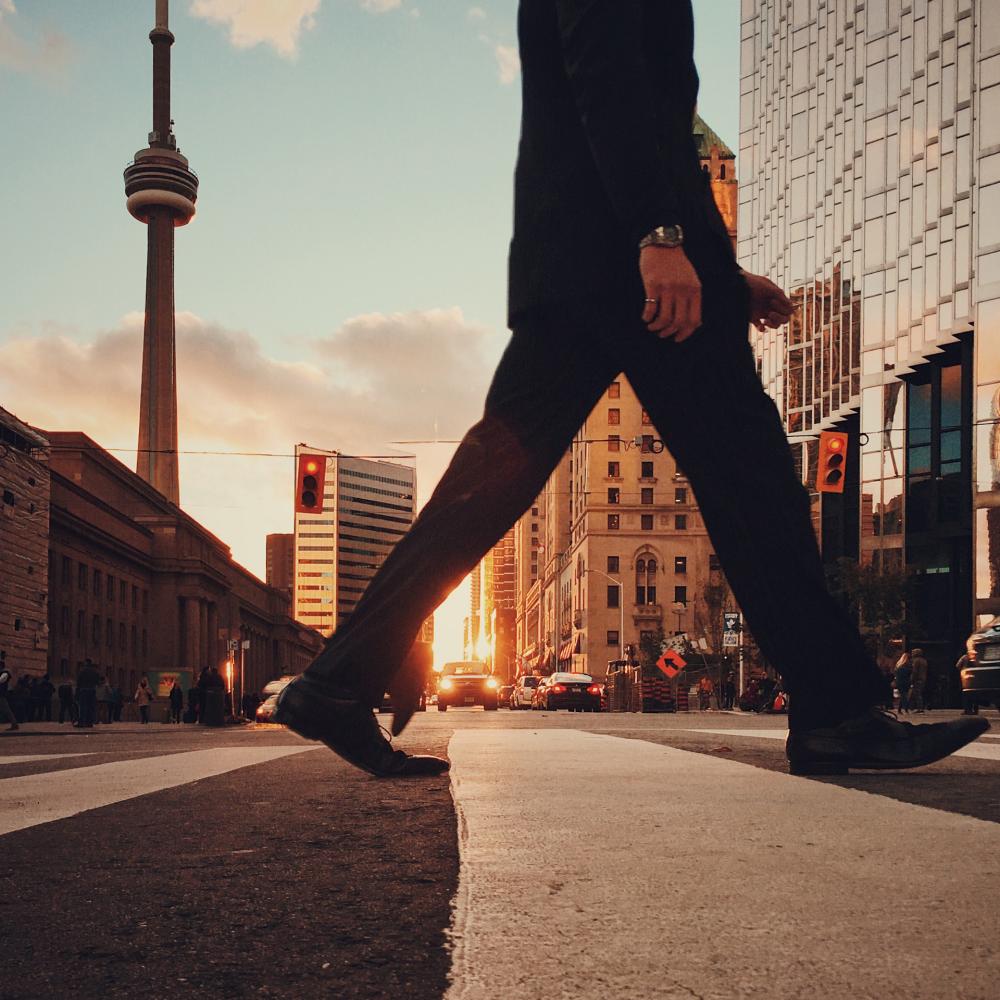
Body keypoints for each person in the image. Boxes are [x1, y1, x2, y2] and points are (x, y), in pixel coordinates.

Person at [274, 0, 990, 777]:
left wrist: (721, 273)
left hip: (589, 268)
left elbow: (654, 132)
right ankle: (838, 711)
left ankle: (337, 682)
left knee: (485, 490)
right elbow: (609, 79)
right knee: (753, 482)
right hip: (625, 269)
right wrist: (659, 238)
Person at [75, 659, 100, 729]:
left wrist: (77, 692)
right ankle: (89, 722)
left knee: (83, 707)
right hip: (92, 690)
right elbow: (98, 682)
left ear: (86, 663)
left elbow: (78, 682)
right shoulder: (95, 672)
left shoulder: (82, 671)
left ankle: (82, 722)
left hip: (84, 690)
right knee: (90, 707)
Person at [0, 653, 18, 732]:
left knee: (6, 710)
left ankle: (14, 723)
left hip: (1, 695)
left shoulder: (5, 673)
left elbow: (1, 680)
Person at [909, 648, 929, 713]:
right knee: (918, 693)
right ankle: (918, 707)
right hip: (923, 678)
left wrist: (912, 679)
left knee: (917, 693)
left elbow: (915, 671)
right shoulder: (924, 661)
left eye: (913, 653)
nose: (912, 654)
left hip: (917, 679)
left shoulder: (916, 661)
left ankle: (919, 708)